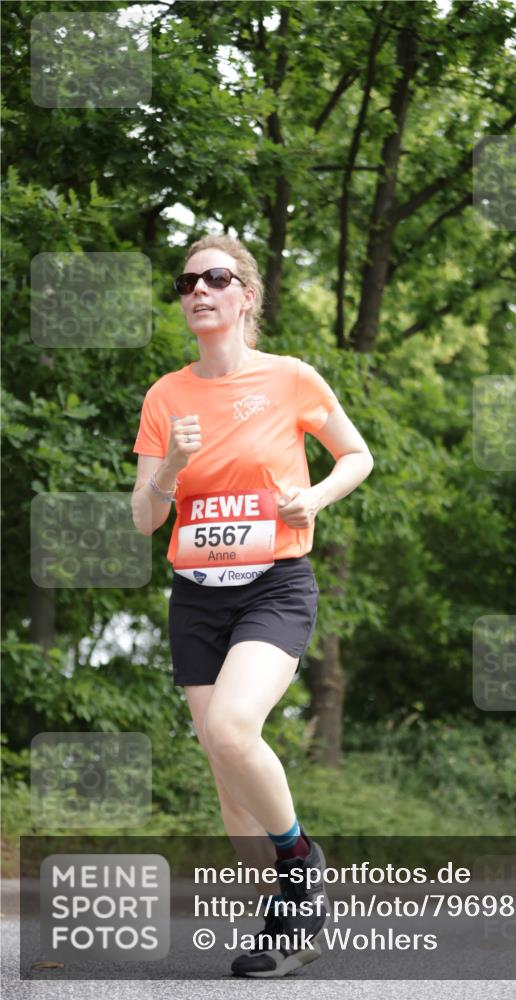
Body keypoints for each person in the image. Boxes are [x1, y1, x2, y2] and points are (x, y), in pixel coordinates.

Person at [131, 234, 373, 977]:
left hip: (275, 583)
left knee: (234, 729)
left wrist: (314, 497)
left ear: (247, 296)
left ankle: (301, 858)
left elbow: (356, 456)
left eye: (216, 277)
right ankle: (283, 927)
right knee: (224, 769)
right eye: (186, 281)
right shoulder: (165, 395)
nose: (198, 290)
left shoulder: (291, 379)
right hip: (196, 596)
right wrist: (170, 465)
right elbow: (143, 517)